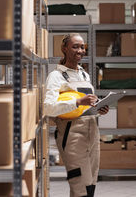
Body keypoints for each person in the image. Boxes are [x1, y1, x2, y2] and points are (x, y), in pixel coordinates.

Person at [44, 33, 109, 197]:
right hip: (71, 134)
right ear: (64, 49)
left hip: (92, 131)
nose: (80, 50)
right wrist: (78, 102)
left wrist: (99, 108)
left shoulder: (84, 74)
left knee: (91, 184)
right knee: (80, 185)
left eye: (82, 47)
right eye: (75, 46)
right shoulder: (56, 76)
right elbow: (48, 108)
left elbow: (86, 105)